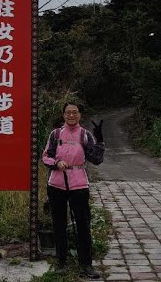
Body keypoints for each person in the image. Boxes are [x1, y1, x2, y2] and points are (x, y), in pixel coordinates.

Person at [41, 102, 102, 279]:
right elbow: (46, 156)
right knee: (58, 224)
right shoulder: (56, 134)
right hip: (57, 184)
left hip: (79, 184)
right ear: (63, 115)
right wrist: (56, 163)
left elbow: (96, 159)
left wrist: (100, 141)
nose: (71, 115)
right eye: (68, 112)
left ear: (80, 115)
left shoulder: (85, 134)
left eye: (75, 112)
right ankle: (61, 262)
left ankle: (86, 264)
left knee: (83, 224)